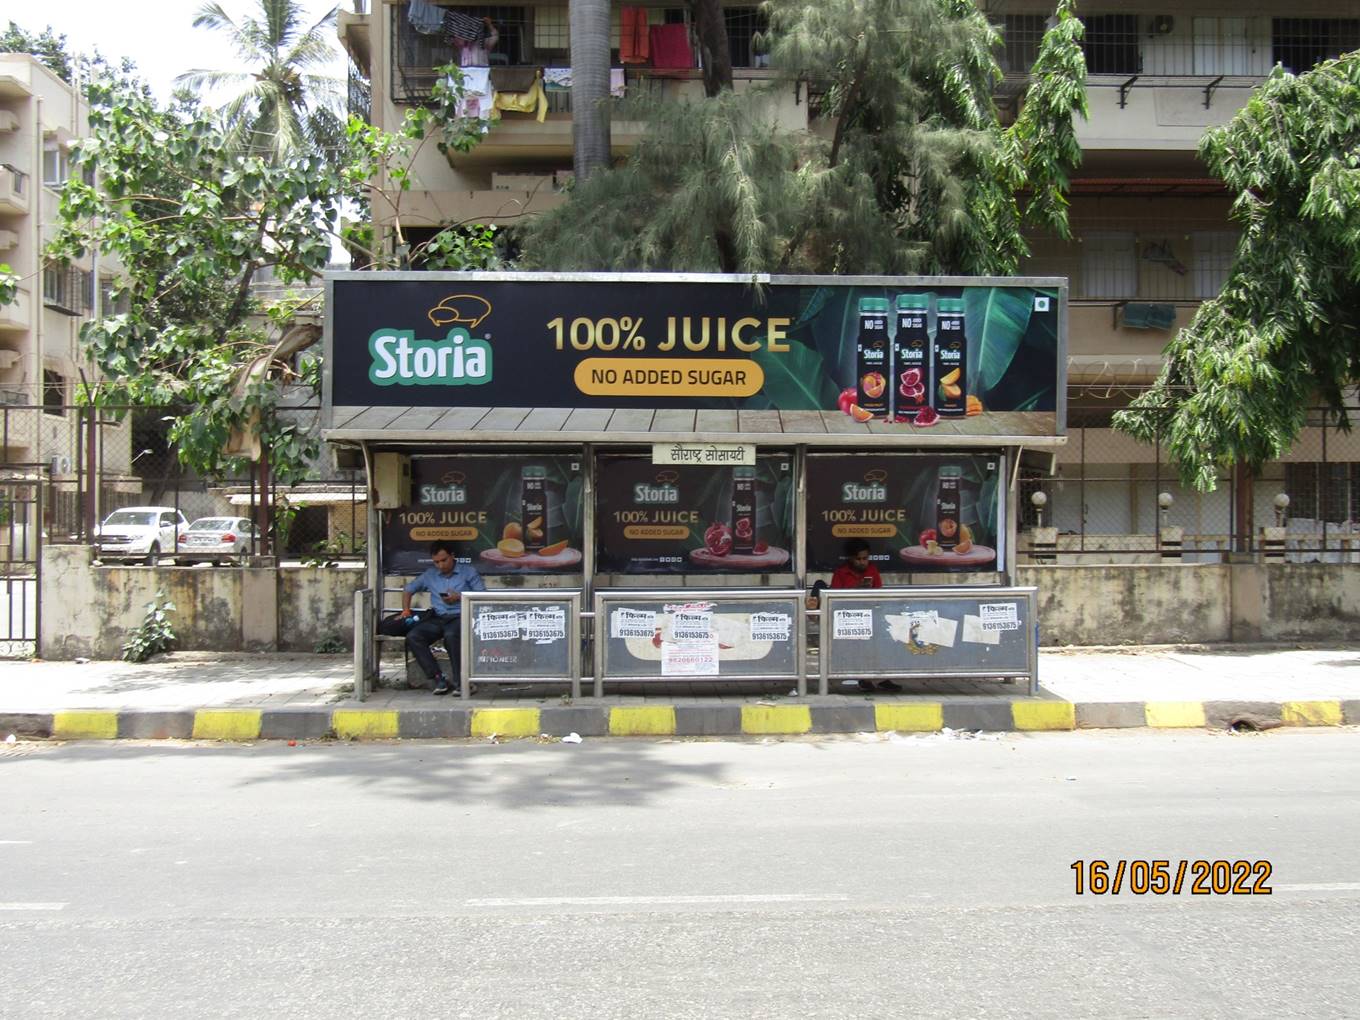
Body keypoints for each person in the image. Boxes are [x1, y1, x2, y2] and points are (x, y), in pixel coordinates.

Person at [400, 540, 486, 695]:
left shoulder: (468, 572)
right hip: (438, 617)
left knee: (451, 636)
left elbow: (482, 595)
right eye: (436, 562)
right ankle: (438, 678)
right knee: (414, 636)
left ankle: (462, 682)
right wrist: (406, 610)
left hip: (461, 616)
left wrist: (459, 597)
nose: (440, 565)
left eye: (443, 560)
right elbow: (408, 589)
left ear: (452, 556)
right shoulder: (430, 575)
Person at [829, 538, 899, 693]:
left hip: (872, 616)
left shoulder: (872, 571)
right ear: (851, 559)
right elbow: (833, 599)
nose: (862, 562)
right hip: (849, 619)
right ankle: (864, 678)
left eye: (865, 559)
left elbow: (880, 595)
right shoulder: (841, 573)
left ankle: (882, 677)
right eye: (858, 559)